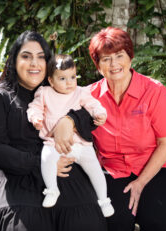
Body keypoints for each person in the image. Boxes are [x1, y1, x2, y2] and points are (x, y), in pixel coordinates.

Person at [53, 27, 166, 231]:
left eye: (119, 56)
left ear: (130, 57)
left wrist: (141, 182)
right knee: (114, 220)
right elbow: (66, 113)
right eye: (106, 59)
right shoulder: (89, 96)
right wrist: (66, 122)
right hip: (114, 171)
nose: (114, 64)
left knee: (156, 222)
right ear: (98, 64)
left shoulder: (155, 93)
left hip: (158, 168)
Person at [0, 31, 108, 231]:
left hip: (64, 170)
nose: (34, 63)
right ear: (13, 60)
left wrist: (70, 120)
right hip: (17, 176)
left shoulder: (58, 89)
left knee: (86, 226)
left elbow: (91, 115)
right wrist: (40, 163)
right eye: (26, 56)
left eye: (40, 56)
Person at [27, 54, 114, 217]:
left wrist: (100, 113)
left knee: (95, 170)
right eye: (62, 78)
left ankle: (104, 200)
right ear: (51, 81)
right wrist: (35, 118)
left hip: (80, 144)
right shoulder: (44, 92)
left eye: (72, 77)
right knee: (46, 159)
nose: (69, 82)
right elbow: (34, 107)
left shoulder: (80, 92)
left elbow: (93, 104)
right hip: (54, 144)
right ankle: (52, 190)